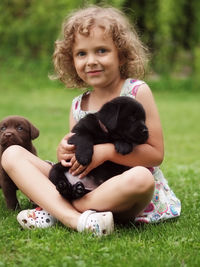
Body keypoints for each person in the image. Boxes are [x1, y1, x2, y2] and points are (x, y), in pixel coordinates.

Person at [1, 5, 181, 236]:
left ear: (122, 54)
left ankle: (57, 210)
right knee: (11, 154)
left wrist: (106, 152)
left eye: (102, 51)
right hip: (83, 186)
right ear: (71, 60)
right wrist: (63, 152)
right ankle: (77, 220)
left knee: (142, 178)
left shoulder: (136, 91)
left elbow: (155, 155)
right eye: (81, 54)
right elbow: (76, 164)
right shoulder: (79, 104)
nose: (91, 61)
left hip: (121, 191)